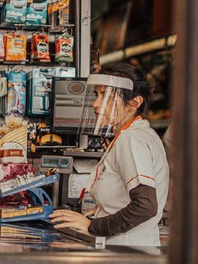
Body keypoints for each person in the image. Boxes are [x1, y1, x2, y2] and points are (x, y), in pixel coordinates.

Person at [50, 62, 169, 246]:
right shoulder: (140, 134)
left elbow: (146, 206)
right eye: (97, 94)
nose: (96, 104)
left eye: (106, 96)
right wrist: (103, 211)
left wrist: (93, 225)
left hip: (126, 251)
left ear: (134, 103)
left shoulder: (131, 139)